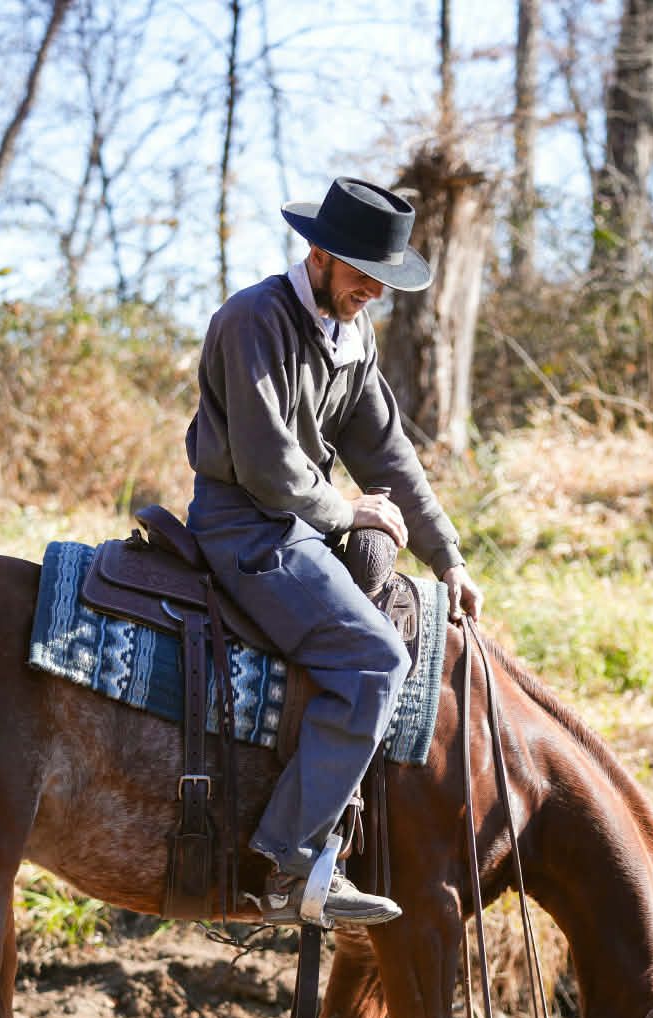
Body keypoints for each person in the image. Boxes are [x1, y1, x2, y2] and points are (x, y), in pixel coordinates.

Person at [184, 176, 483, 928]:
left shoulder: (354, 334)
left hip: (298, 526)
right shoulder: (253, 319)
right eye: (362, 275)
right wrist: (347, 510)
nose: (373, 293)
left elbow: (388, 454)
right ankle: (288, 863)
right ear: (318, 253)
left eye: (383, 281)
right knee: (375, 659)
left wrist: (447, 555)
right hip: (245, 527)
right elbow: (266, 464)